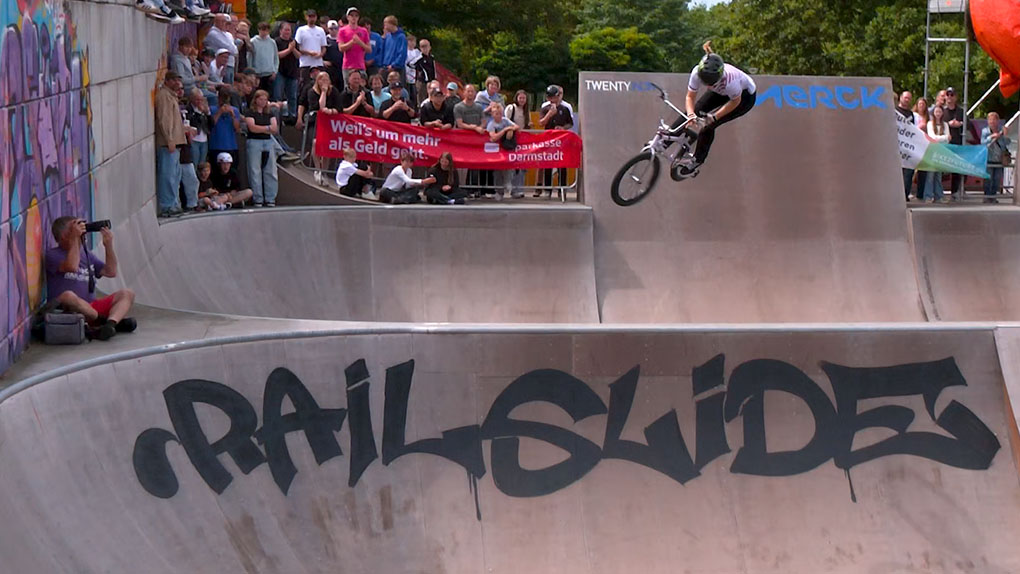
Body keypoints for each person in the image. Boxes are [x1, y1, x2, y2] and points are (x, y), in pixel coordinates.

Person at [45, 216, 136, 341]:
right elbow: (71, 266)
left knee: (127, 294)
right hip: (70, 310)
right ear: (64, 236)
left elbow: (111, 272)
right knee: (68, 296)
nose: (81, 231)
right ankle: (106, 322)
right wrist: (75, 239)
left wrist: (108, 245)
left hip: (91, 307)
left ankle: (110, 324)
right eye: (74, 228)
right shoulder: (52, 254)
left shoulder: (85, 254)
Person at [679, 41, 757, 178]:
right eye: (705, 82)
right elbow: (689, 97)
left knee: (708, 126)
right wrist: (691, 114)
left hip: (743, 97)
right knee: (693, 110)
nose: (707, 85)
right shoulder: (697, 72)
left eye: (710, 83)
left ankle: (697, 160)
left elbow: (735, 102)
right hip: (721, 91)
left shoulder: (730, 82)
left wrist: (714, 116)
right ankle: (666, 139)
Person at [298, 70, 343, 186]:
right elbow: (318, 107)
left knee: (327, 145)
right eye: (322, 79)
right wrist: (323, 92)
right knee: (315, 142)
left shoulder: (334, 91)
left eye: (326, 79)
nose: (324, 82)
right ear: (317, 81)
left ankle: (324, 171)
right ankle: (318, 169)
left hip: (330, 123)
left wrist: (331, 111)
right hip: (315, 122)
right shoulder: (311, 92)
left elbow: (339, 107)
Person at [155, 71, 187, 217]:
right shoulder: (164, 96)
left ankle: (173, 203)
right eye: (174, 80)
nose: (177, 83)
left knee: (174, 175)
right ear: (167, 81)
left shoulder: (172, 96)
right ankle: (167, 205)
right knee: (167, 175)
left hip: (176, 142)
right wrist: (169, 139)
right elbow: (165, 119)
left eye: (178, 80)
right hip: (168, 143)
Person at [244, 89, 280, 206]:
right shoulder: (250, 112)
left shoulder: (269, 114)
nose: (263, 102)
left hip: (267, 142)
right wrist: (267, 128)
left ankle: (270, 198)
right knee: (255, 171)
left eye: (265, 99)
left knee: (271, 171)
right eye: (261, 99)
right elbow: (252, 128)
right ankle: (257, 198)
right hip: (254, 141)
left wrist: (263, 128)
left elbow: (275, 129)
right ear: (256, 100)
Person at [538, 84, 573, 197]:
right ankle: (547, 190)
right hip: (549, 139)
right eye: (550, 97)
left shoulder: (565, 108)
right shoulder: (545, 108)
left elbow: (570, 123)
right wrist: (549, 114)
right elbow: (541, 122)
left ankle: (561, 189)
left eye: (555, 97)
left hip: (561, 140)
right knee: (548, 163)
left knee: (562, 164)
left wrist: (563, 128)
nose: (553, 100)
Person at [486, 102, 519, 199]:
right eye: (496, 113)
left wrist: (511, 130)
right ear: (492, 114)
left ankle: (508, 185)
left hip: (506, 150)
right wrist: (505, 130)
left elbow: (516, 127)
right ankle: (499, 191)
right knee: (497, 172)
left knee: (508, 168)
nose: (499, 115)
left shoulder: (505, 121)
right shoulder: (491, 124)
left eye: (500, 113)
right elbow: (493, 137)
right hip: (495, 151)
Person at [505, 89, 531, 197]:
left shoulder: (526, 111)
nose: (522, 100)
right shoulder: (511, 108)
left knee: (522, 166)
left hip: (523, 140)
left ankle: (519, 189)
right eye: (520, 98)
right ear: (516, 98)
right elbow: (505, 121)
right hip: (512, 139)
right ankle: (512, 189)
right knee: (513, 166)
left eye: (524, 98)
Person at [295, 9, 328, 97]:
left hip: (318, 63)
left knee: (320, 86)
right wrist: (308, 52)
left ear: (316, 17)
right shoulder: (301, 30)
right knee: (304, 86)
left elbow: (324, 47)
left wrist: (321, 54)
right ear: (306, 17)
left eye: (313, 16)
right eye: (310, 17)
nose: (312, 19)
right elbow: (297, 47)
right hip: (305, 63)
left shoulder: (320, 30)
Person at [981, 112, 1012, 203]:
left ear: (997, 121)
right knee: (988, 179)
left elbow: (1006, 143)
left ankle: (993, 197)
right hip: (988, 158)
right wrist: (991, 137)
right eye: (990, 120)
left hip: (999, 159)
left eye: (994, 120)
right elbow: (983, 143)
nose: (992, 122)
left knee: (997, 179)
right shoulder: (985, 131)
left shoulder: (1001, 130)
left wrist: (1005, 135)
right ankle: (987, 196)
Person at [274, 22, 300, 122]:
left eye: (289, 30)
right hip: (280, 71)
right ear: (281, 31)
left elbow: (298, 56)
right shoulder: (276, 42)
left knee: (292, 96)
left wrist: (293, 49)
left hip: (292, 72)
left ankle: (292, 116)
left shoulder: (294, 42)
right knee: (278, 95)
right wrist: (289, 49)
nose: (287, 32)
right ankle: (278, 116)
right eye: (285, 30)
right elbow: (277, 55)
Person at [337, 7, 371, 85]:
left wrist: (359, 42)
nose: (354, 18)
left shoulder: (364, 31)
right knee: (348, 88)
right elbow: (341, 48)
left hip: (360, 65)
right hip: (348, 66)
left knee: (362, 88)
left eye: (356, 15)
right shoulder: (342, 31)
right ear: (348, 17)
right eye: (352, 15)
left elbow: (369, 49)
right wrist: (352, 42)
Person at [209, 86, 241, 166]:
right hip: (216, 145)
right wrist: (219, 112)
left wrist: (233, 115)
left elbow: (237, 129)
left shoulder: (235, 110)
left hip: (231, 145)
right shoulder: (212, 109)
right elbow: (211, 124)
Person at [944, 87, 966, 198]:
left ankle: (955, 191)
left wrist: (960, 124)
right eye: (948, 94)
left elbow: (969, 125)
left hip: (958, 143)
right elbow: (936, 123)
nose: (949, 97)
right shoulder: (942, 111)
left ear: (955, 97)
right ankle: (938, 192)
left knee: (957, 168)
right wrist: (948, 124)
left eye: (952, 95)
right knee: (941, 168)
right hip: (945, 144)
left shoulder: (961, 111)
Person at [204, 15, 238, 85]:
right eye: (222, 22)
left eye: (227, 22)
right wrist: (233, 49)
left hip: (230, 65)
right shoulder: (213, 34)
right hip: (220, 66)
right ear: (216, 22)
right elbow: (232, 49)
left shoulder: (228, 34)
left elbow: (235, 51)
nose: (225, 24)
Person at [926, 105, 950, 203]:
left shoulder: (945, 124)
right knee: (930, 175)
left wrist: (942, 138)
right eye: (936, 112)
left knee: (938, 176)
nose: (938, 114)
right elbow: (932, 137)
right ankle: (928, 196)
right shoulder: (930, 124)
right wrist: (944, 137)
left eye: (940, 112)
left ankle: (939, 196)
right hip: (932, 152)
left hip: (941, 152)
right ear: (933, 113)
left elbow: (948, 139)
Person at [895, 91, 916, 201]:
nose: (907, 100)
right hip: (896, 147)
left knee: (908, 172)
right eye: (905, 97)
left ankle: (905, 195)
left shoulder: (911, 114)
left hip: (907, 147)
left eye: (909, 98)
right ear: (900, 98)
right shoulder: (894, 111)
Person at [250, 22, 279, 93]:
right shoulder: (253, 41)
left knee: (268, 94)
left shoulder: (272, 42)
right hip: (257, 73)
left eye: (266, 30)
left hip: (269, 74)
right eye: (262, 30)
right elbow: (250, 58)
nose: (264, 32)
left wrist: (275, 71)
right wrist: (251, 72)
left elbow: (276, 57)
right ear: (259, 30)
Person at [912, 96, 930, 201]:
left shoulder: (928, 118)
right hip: (914, 144)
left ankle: (921, 193)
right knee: (911, 170)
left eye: (923, 104)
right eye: (920, 104)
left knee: (923, 171)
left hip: (925, 146)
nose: (921, 106)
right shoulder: (913, 116)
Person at [380, 15, 406, 83]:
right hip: (386, 67)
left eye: (386, 24)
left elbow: (402, 53)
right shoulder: (388, 36)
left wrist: (394, 65)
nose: (385, 27)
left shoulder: (401, 37)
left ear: (392, 24)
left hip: (396, 68)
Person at [413, 38, 436, 108]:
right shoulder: (419, 58)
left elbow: (434, 68)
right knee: (421, 98)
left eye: (426, 46)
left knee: (432, 97)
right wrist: (419, 70)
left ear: (430, 47)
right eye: (422, 46)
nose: (425, 48)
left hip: (431, 81)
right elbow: (410, 64)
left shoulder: (432, 58)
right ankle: (421, 113)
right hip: (422, 81)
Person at [405, 33, 420, 104]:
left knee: (414, 94)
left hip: (414, 76)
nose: (412, 43)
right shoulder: (405, 51)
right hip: (406, 75)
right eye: (410, 41)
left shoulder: (417, 52)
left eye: (413, 41)